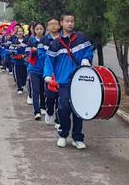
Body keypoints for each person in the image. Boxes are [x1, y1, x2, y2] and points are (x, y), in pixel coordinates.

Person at [44, 12, 93, 149]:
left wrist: (86, 59)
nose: (70, 23)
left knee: (78, 110)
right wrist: (47, 75)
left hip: (80, 80)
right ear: (61, 23)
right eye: (67, 21)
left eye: (72, 21)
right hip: (63, 81)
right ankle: (63, 134)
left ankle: (77, 137)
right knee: (63, 108)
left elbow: (89, 50)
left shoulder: (82, 38)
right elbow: (49, 61)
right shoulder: (55, 44)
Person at [41, 18, 62, 126]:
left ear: (59, 26)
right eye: (50, 24)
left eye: (55, 24)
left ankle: (58, 120)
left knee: (61, 98)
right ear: (48, 27)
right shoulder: (44, 39)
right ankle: (49, 112)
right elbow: (40, 54)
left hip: (61, 71)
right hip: (49, 71)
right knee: (50, 97)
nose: (53, 26)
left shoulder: (64, 39)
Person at [26, 22, 47, 120]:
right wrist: (32, 51)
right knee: (36, 90)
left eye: (41, 29)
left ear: (44, 30)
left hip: (45, 69)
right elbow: (27, 53)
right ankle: (37, 111)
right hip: (33, 69)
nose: (39, 31)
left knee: (44, 90)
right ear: (34, 30)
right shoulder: (31, 40)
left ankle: (43, 107)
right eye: (37, 29)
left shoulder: (47, 40)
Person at [9, 25, 28, 94]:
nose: (20, 33)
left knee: (25, 74)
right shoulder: (14, 41)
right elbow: (11, 50)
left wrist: (25, 55)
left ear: (23, 32)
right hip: (17, 61)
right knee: (18, 74)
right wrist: (14, 52)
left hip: (25, 61)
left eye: (21, 31)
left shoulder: (27, 40)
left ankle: (23, 84)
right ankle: (19, 88)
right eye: (18, 31)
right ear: (16, 33)